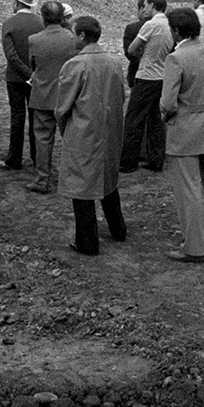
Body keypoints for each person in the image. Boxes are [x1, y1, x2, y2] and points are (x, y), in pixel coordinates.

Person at [160, 8, 204, 263]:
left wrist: (169, 117)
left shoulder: (176, 58)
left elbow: (167, 103)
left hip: (185, 129)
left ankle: (195, 247)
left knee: (188, 188)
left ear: (176, 31)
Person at [55, 15, 125, 254]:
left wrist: (66, 131)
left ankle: (87, 242)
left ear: (82, 36)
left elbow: (62, 108)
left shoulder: (74, 65)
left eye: (73, 33)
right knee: (108, 180)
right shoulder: (114, 62)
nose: (72, 38)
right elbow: (120, 97)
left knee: (82, 187)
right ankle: (118, 229)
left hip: (83, 133)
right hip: (110, 130)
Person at [26, 1, 79, 193]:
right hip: (67, 96)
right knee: (72, 138)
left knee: (42, 139)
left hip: (42, 96)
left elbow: (33, 65)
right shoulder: (73, 39)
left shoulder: (34, 40)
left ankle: (42, 180)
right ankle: (73, 177)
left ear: (43, 17)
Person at [120, 0, 172, 173]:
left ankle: (127, 162)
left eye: (147, 5)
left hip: (146, 76)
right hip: (162, 77)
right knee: (156, 120)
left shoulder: (150, 25)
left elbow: (132, 49)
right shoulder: (168, 24)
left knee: (134, 120)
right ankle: (156, 160)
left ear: (152, 5)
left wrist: (144, 55)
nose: (144, 8)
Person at [0, 0, 43, 171]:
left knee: (17, 117)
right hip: (37, 79)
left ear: (17, 2)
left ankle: (14, 159)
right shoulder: (41, 23)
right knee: (36, 119)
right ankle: (36, 158)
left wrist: (26, 74)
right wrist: (33, 75)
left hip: (16, 78)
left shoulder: (9, 24)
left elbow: (11, 56)